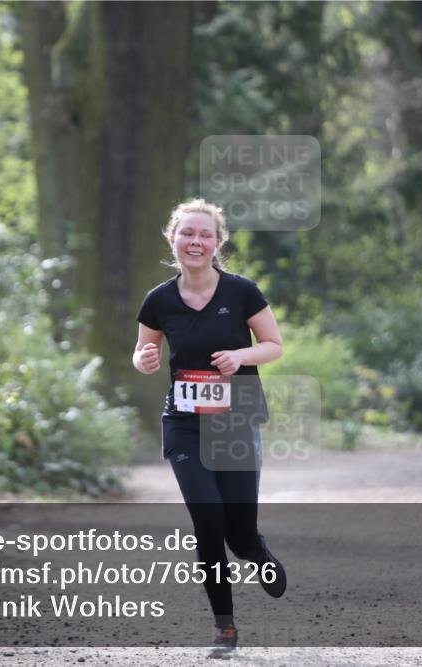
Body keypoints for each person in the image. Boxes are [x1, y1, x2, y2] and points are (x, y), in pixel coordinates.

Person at [132, 198, 287, 657]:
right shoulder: (159, 300)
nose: (195, 241)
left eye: (205, 234)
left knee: (238, 535)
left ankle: (256, 551)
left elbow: (274, 345)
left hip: (236, 421)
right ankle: (225, 627)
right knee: (207, 520)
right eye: (187, 233)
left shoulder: (242, 292)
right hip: (184, 424)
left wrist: (240, 356)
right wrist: (143, 360)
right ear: (172, 239)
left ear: (218, 243)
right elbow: (142, 353)